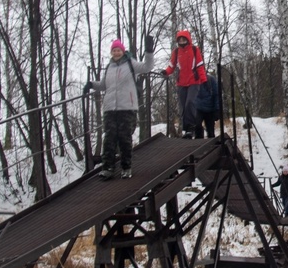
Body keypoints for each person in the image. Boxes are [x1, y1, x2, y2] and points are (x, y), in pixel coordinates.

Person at [86, 37, 153, 179]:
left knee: (124, 138)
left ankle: (126, 167)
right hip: (110, 108)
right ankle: (107, 168)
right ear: (111, 52)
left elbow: (147, 67)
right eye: (114, 50)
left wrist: (149, 51)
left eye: (118, 50)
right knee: (109, 138)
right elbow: (104, 85)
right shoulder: (109, 67)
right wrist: (91, 84)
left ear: (123, 51)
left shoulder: (130, 64)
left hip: (126, 107)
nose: (116, 53)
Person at [161, 30, 207, 138]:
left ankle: (193, 127)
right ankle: (188, 130)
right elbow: (171, 66)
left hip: (194, 82)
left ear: (188, 39)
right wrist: (166, 72)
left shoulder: (195, 50)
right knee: (183, 107)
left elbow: (200, 66)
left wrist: (204, 81)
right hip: (181, 83)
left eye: (183, 39)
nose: (182, 41)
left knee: (189, 103)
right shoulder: (176, 52)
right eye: (180, 40)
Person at [195, 68, 222, 138]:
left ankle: (211, 145)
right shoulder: (194, 80)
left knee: (210, 132)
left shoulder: (211, 80)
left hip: (210, 109)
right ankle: (199, 143)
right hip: (198, 109)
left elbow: (216, 95)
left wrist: (217, 109)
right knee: (197, 126)